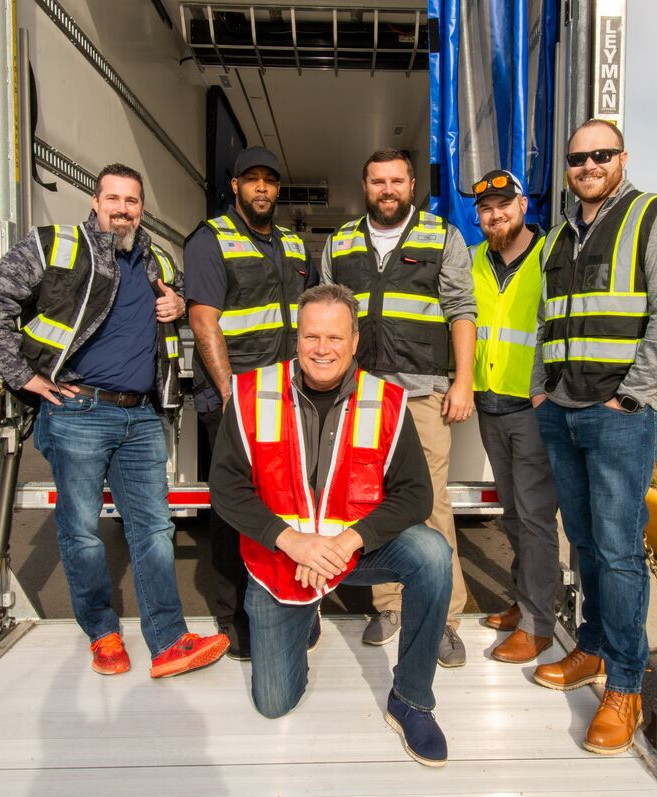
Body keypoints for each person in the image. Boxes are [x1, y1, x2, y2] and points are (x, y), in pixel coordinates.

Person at [0, 163, 228, 678]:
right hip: (78, 411)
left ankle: (169, 641)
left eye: (131, 201)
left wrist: (176, 303)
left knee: (155, 530)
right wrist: (25, 377)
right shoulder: (56, 245)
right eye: (113, 198)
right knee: (83, 531)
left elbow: (169, 313)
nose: (122, 209)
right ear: (95, 201)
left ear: (142, 208)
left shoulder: (156, 259)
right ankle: (103, 634)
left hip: (140, 416)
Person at [208, 284, 453, 767]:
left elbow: (415, 495)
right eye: (311, 337)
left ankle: (412, 700)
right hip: (281, 563)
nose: (322, 349)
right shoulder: (252, 393)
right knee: (274, 704)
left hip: (351, 552)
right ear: (295, 339)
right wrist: (293, 542)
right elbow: (226, 489)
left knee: (433, 555)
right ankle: (305, 615)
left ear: (355, 341)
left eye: (335, 338)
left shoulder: (386, 401)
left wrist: (348, 540)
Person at [529, 120, 657, 754]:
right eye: (578, 158)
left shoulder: (656, 218)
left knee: (620, 549)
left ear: (622, 157)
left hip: (618, 415)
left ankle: (625, 686)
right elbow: (549, 321)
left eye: (601, 155)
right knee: (585, 541)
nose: (589, 165)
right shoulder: (557, 239)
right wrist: (542, 387)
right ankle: (594, 649)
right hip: (563, 410)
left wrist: (633, 394)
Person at [320, 148, 475, 667]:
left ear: (413, 185)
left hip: (423, 390)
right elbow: (325, 316)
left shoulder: (442, 236)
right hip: (359, 394)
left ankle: (445, 620)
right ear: (364, 185)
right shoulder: (341, 241)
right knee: (367, 500)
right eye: (377, 181)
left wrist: (463, 382)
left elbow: (461, 311)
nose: (387, 189)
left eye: (397, 180)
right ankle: (388, 606)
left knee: (431, 502)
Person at [184, 146, 316, 659]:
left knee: (287, 503)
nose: (261, 188)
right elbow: (203, 321)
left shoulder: (293, 245)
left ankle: (287, 603)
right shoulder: (210, 240)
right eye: (251, 179)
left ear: (278, 189)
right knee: (234, 509)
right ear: (234, 186)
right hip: (235, 400)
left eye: (270, 180)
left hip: (287, 399)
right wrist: (228, 394)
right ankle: (232, 616)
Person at [467, 169, 560, 664]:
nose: (495, 214)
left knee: (535, 517)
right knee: (511, 514)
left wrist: (547, 389)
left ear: (523, 205)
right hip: (489, 404)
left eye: (503, 204)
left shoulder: (548, 256)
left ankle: (538, 623)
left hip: (532, 407)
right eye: (485, 209)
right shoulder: (474, 259)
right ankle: (525, 601)